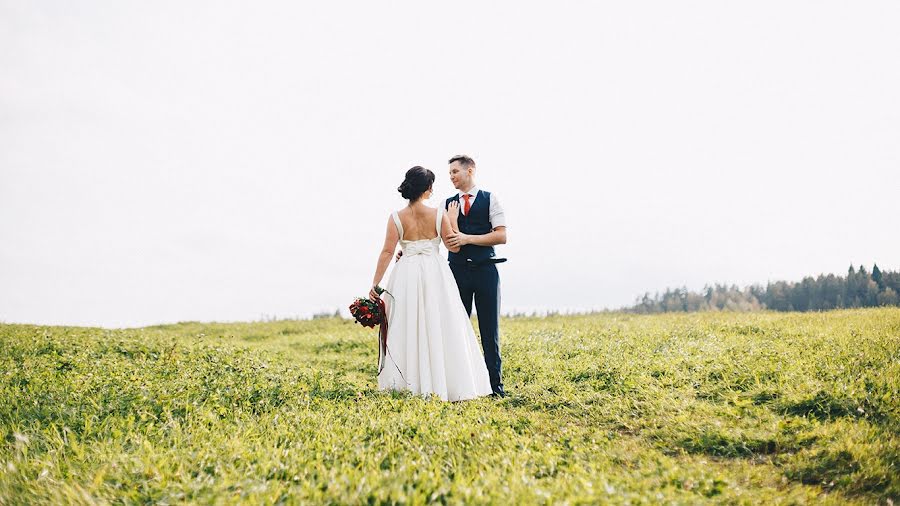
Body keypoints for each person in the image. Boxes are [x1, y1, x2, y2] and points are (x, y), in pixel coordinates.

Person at [369, 166, 493, 401]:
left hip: (406, 273)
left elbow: (387, 251)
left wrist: (375, 284)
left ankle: (406, 383)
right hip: (435, 273)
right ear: (428, 188)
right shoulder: (439, 214)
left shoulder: (396, 217)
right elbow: (454, 246)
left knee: (406, 324)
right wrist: (453, 221)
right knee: (440, 322)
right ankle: (446, 383)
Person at [444, 155, 508, 397]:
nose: (451, 177)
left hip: (486, 271)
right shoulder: (447, 204)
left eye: (454, 172)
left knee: (489, 330)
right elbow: (447, 241)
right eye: (449, 173)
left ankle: (495, 388)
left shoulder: (490, 199)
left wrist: (467, 238)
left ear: (470, 170)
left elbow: (501, 236)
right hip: (457, 272)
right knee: (458, 329)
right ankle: (461, 388)